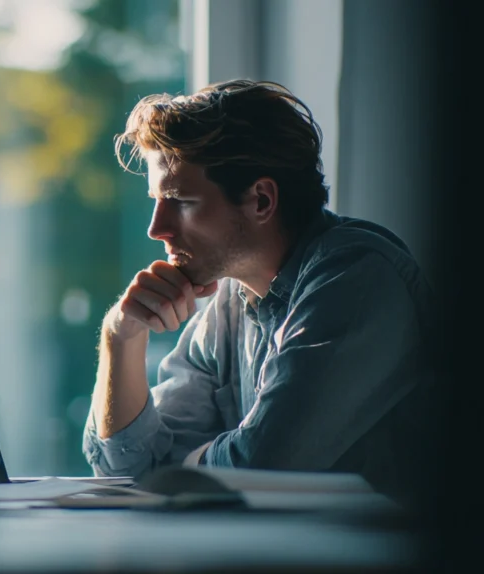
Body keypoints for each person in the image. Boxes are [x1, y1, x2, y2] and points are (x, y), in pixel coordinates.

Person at [83, 79, 440, 503]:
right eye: (157, 201)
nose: (156, 228)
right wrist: (120, 337)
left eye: (180, 201)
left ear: (261, 201)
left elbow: (264, 464)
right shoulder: (230, 303)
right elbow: (130, 470)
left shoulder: (357, 276)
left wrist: (185, 468)